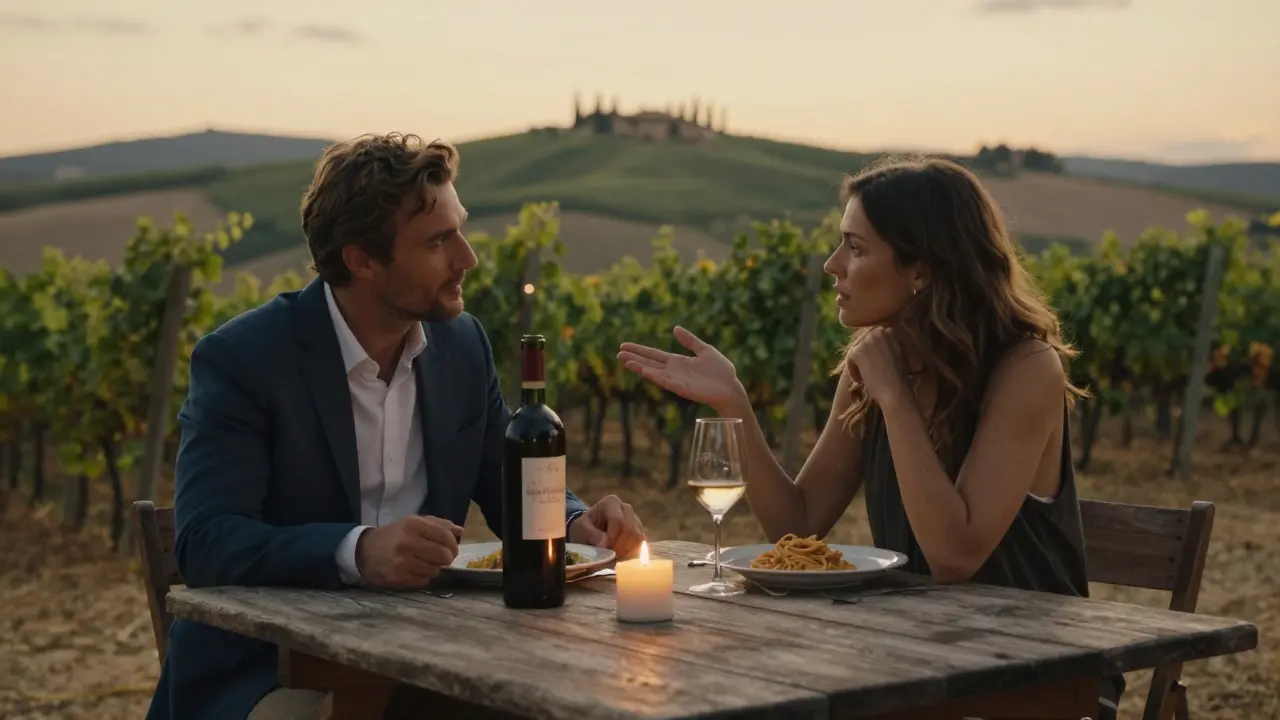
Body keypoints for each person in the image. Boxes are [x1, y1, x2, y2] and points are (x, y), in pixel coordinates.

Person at [145, 132, 647, 720]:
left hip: (432, 653)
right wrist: (356, 552)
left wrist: (573, 523)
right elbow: (207, 542)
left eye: (460, 229)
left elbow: (505, 482)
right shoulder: (244, 359)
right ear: (361, 259)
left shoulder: (462, 347)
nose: (468, 257)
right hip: (275, 668)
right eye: (438, 241)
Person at [617, 155, 1123, 719]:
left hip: (1043, 678)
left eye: (856, 249)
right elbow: (798, 524)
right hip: (927, 662)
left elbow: (955, 556)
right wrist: (733, 403)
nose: (833, 265)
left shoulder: (1026, 368)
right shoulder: (877, 367)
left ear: (922, 270)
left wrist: (895, 399)